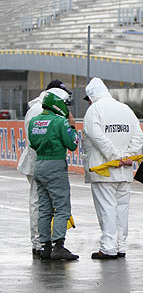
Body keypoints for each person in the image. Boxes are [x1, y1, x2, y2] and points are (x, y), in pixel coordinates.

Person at [82, 78, 143, 259]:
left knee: (106, 209)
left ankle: (108, 247)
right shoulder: (126, 109)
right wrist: (128, 156)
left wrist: (115, 157)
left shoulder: (94, 110)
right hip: (124, 170)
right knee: (122, 209)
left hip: (104, 170)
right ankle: (120, 245)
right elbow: (138, 136)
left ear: (91, 96)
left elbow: (96, 136)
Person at [17, 80, 73, 257]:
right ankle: (50, 244)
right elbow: (71, 143)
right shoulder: (55, 118)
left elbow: (32, 140)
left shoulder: (34, 113)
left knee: (42, 207)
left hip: (37, 162)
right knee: (57, 206)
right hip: (50, 162)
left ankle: (42, 244)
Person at [28, 87, 79, 260]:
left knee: (44, 208)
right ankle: (59, 245)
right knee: (62, 208)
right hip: (55, 164)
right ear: (58, 103)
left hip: (39, 165)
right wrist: (72, 126)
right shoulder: (59, 122)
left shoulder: (34, 121)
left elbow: (33, 144)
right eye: (65, 104)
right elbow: (73, 144)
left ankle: (45, 246)